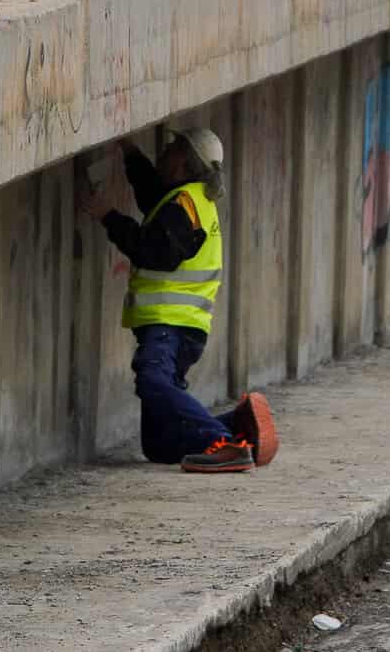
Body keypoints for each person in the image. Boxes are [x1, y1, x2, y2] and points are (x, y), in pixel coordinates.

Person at [78, 127, 278, 475]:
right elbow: (151, 194)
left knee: (152, 380)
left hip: (171, 325)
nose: (164, 151)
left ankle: (225, 444)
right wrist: (129, 150)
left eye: (171, 148)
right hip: (179, 326)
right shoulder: (187, 198)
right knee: (159, 444)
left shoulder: (186, 206)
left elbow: (151, 250)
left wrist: (108, 215)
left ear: (183, 162)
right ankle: (237, 426)